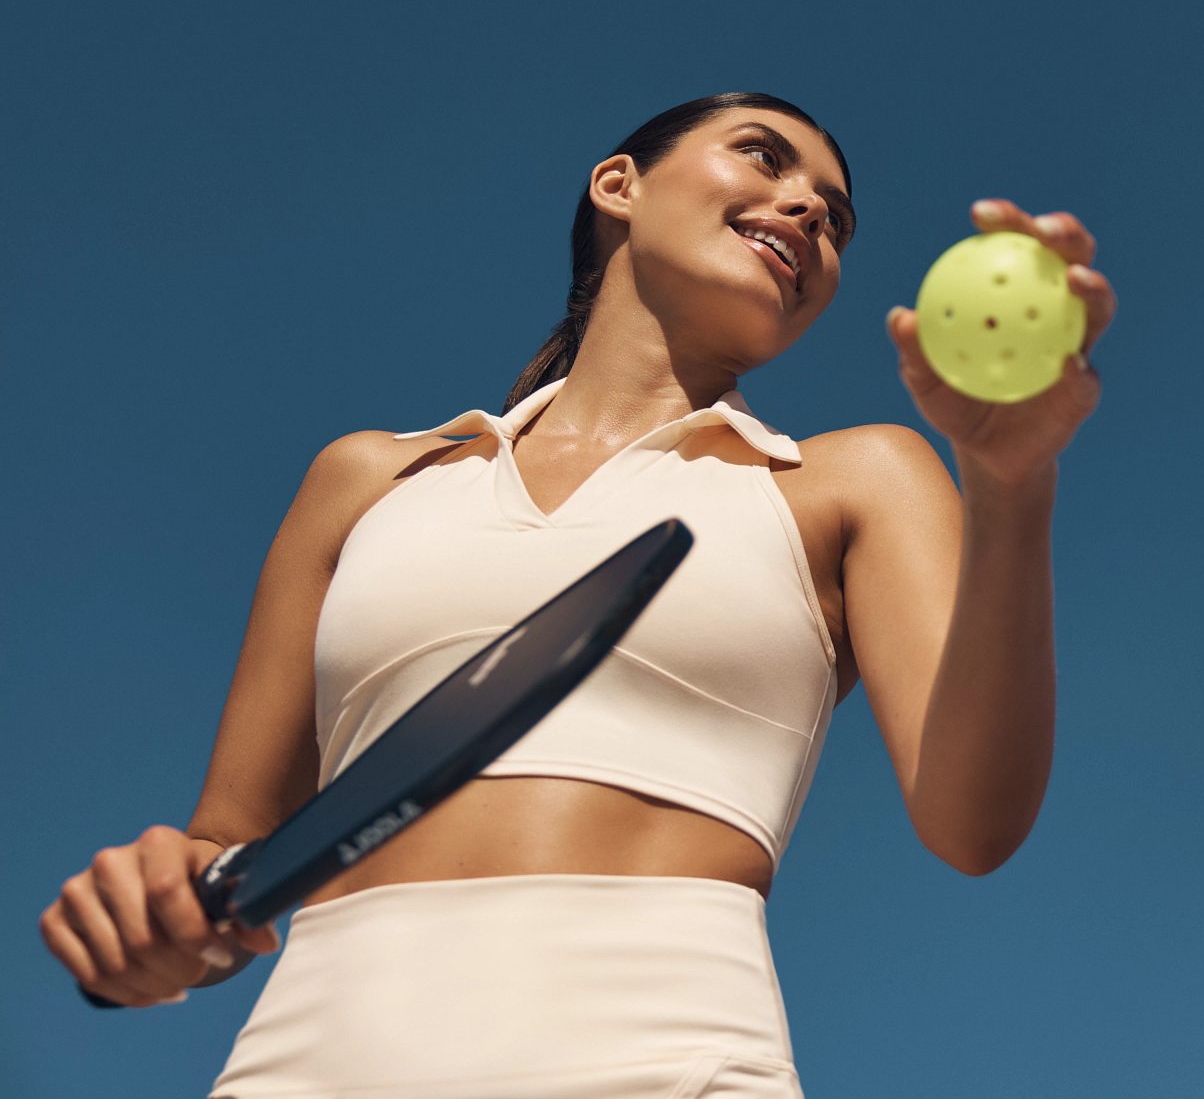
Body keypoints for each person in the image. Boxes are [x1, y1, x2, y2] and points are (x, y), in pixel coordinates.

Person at [41, 92, 1115, 1098]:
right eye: (764, 155)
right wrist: (149, 913)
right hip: (310, 1058)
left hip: (667, 1059)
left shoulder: (853, 477)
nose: (806, 208)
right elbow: (225, 844)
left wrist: (1010, 486)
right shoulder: (367, 477)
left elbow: (973, 823)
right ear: (619, 185)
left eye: (832, 216)